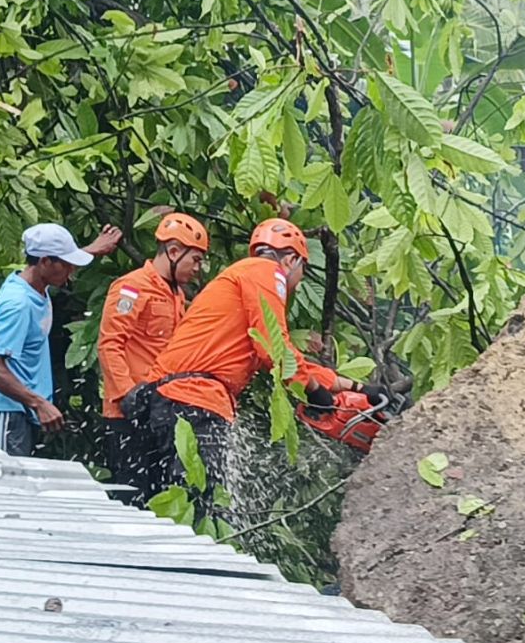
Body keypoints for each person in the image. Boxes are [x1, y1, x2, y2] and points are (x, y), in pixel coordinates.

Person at [136, 218, 384, 516]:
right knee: (201, 504)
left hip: (174, 398)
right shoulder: (268, 272)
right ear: (291, 259)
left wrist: (352, 386)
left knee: (176, 501)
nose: (299, 281)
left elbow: (285, 357)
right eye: (302, 271)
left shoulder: (246, 276)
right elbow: (274, 349)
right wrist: (317, 393)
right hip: (194, 401)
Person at [0, 222, 122, 457]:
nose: (71, 271)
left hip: (19, 410)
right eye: (66, 265)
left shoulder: (35, 286)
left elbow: (61, 263)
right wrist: (38, 403)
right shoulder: (17, 304)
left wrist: (93, 248)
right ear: (44, 261)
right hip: (3, 409)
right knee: (4, 490)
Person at [97, 212, 208, 506]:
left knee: (161, 499)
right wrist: (127, 393)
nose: (198, 268)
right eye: (194, 259)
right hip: (127, 415)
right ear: (173, 251)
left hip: (161, 413)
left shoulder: (177, 295)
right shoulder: (132, 287)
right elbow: (110, 345)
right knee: (131, 500)